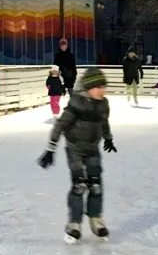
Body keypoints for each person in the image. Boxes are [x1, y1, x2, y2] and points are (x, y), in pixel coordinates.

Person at [39, 67, 116, 241]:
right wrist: (50, 149)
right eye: (98, 87)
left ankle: (95, 218)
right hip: (75, 148)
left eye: (104, 87)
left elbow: (104, 122)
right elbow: (60, 126)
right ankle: (74, 222)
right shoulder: (76, 104)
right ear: (88, 87)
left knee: (96, 184)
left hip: (93, 148)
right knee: (79, 185)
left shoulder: (103, 104)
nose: (102, 90)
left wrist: (108, 138)